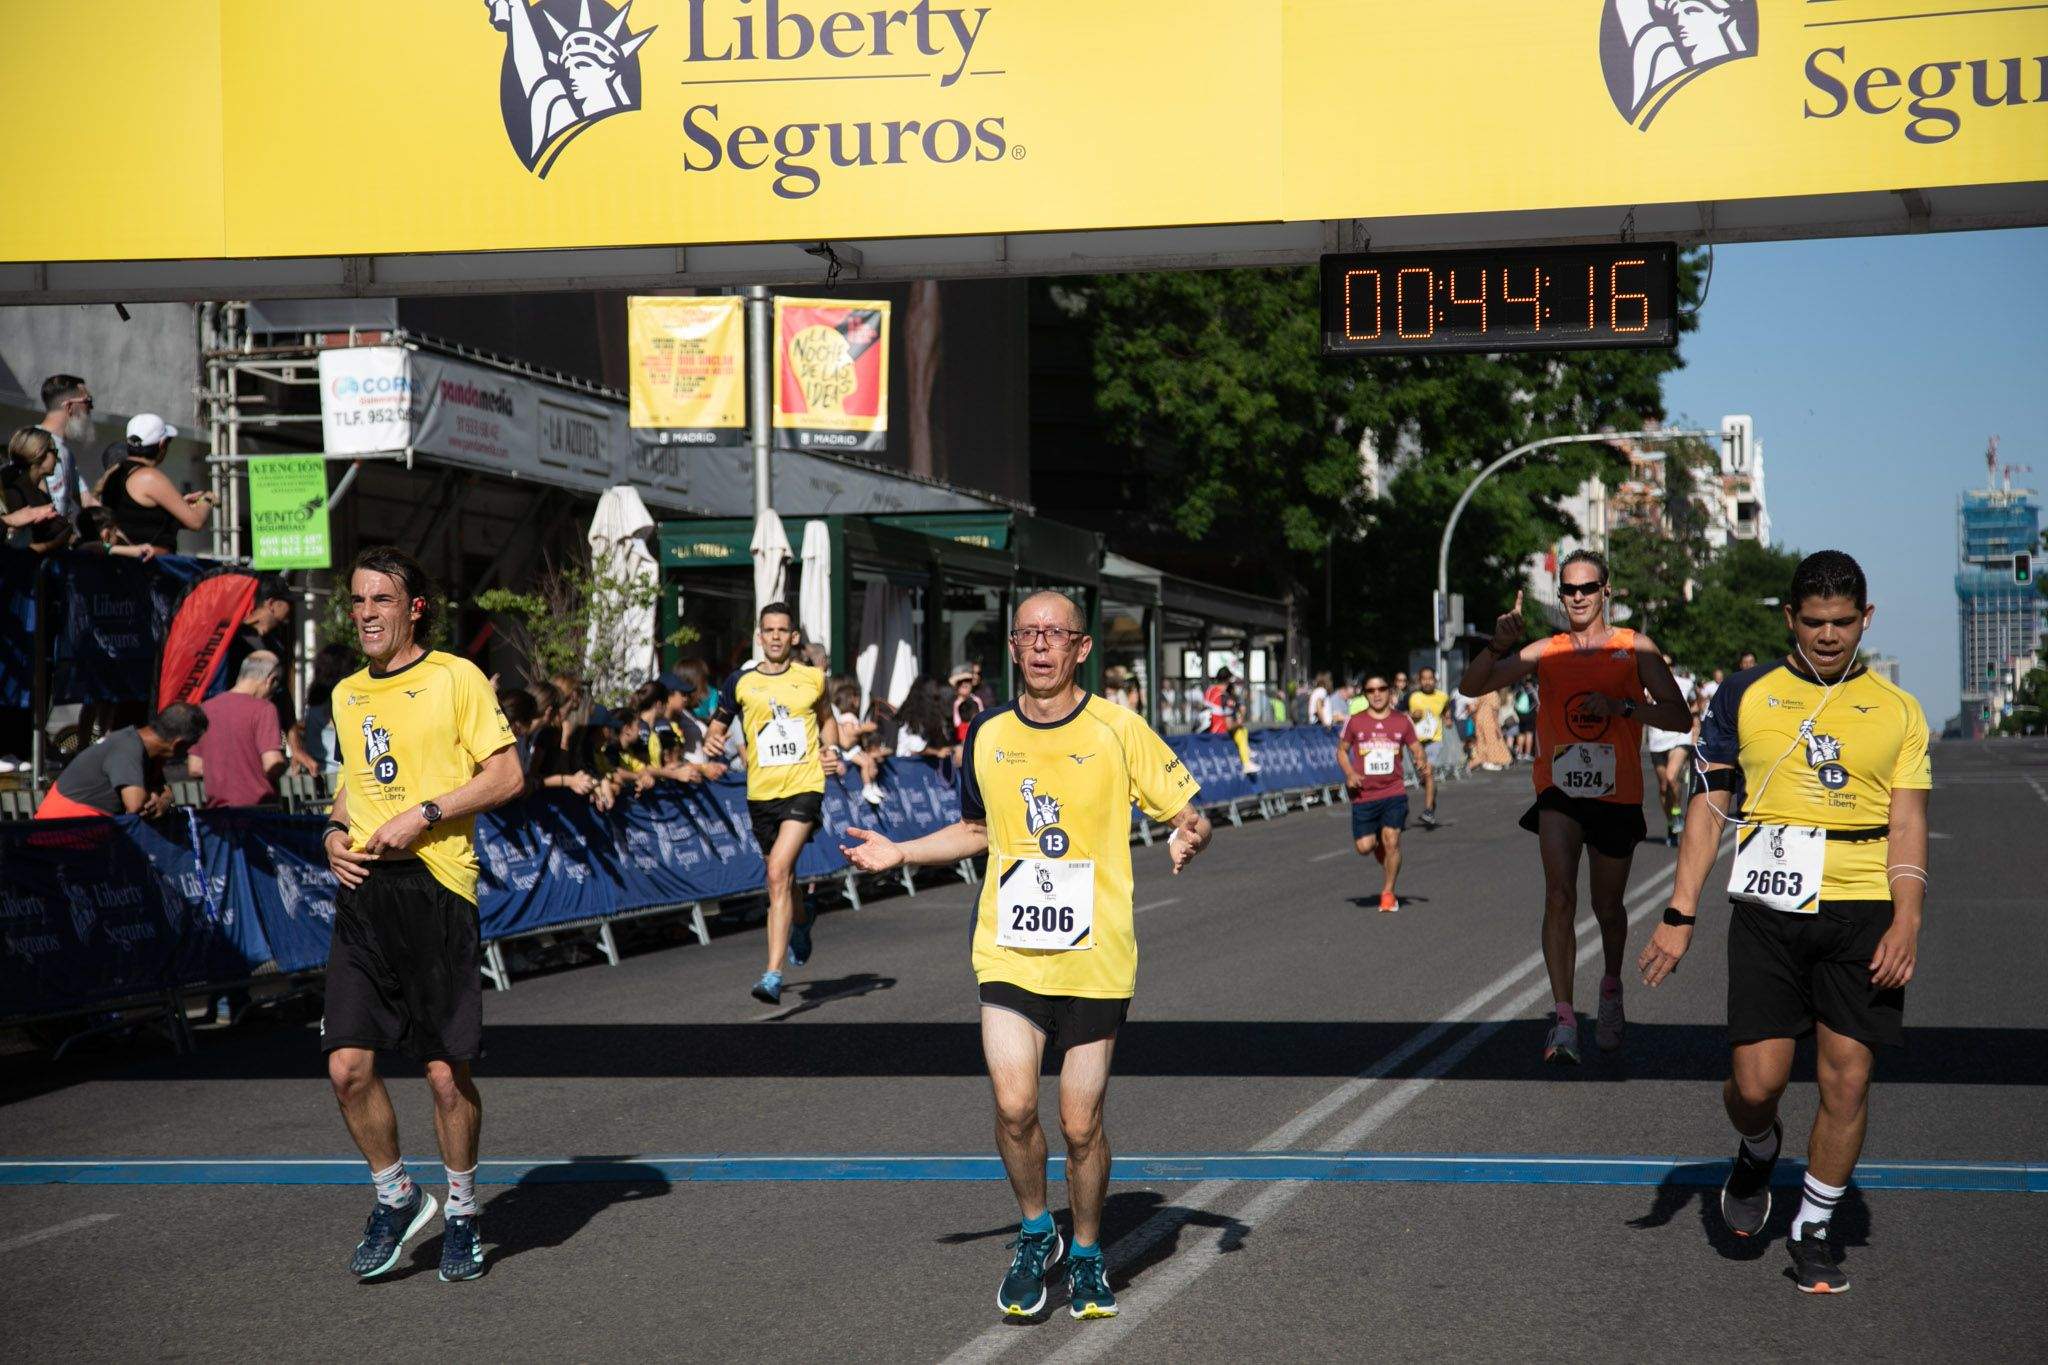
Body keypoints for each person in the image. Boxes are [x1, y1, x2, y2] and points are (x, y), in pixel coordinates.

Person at [839, 590, 1212, 1321]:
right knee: (1014, 1105)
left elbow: (1186, 810)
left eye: (1057, 633)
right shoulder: (987, 734)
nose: (1042, 644)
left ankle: (1090, 1248)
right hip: (1009, 949)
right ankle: (1037, 1230)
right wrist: (902, 852)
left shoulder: (1116, 728)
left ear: (1081, 649)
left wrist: (1191, 831)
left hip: (1097, 955)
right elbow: (979, 829)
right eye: (1029, 633)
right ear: (1013, 648)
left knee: (1079, 1122)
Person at [1639, 551, 1928, 1295]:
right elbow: (1707, 807)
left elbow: (1908, 821)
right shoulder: (1744, 692)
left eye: (1842, 622)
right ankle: (1757, 1143)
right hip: (1769, 908)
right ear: (1789, 619)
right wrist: (1680, 912)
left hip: (1862, 906)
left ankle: (1816, 1222)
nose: (1828, 636)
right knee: (1756, 1082)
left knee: (1848, 1077)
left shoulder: (1899, 709)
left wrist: (1908, 919)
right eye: (1813, 622)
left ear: (1866, 618)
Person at [319, 547, 523, 1284]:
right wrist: (334, 833)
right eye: (358, 600)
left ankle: (465, 1210)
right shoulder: (346, 693)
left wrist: (427, 813)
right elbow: (354, 786)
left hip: (437, 888)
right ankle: (397, 1196)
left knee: (443, 1075)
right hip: (365, 893)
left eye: (381, 599)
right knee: (347, 1066)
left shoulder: (454, 677)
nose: (367, 612)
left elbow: (505, 773)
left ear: (414, 609)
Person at [1457, 553, 1689, 1065]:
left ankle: (1609, 986)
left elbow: (1678, 713)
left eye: (1588, 587)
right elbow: (1472, 687)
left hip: (1616, 794)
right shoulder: (1547, 650)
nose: (1578, 597)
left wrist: (1624, 708)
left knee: (1607, 907)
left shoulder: (1635, 647)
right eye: (1569, 589)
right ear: (1560, 595)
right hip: (1559, 792)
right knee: (1559, 896)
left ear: (1608, 590)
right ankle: (1563, 1017)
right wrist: (1498, 645)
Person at [705, 602, 843, 1005]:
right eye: (770, 630)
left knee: (778, 871)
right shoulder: (740, 682)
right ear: (760, 636)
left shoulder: (813, 678)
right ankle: (802, 920)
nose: (777, 637)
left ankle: (772, 973)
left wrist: (831, 748)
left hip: (804, 785)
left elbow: (827, 719)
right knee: (780, 877)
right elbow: (718, 726)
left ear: (793, 636)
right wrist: (715, 739)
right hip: (761, 793)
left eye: (784, 630)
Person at [1338, 676, 1435, 912]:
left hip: (1393, 792)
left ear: (1389, 692)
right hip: (1364, 795)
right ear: (1365, 694)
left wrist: (1422, 761)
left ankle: (1388, 892)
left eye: (1381, 688)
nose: (1377, 693)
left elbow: (1416, 748)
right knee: (1364, 847)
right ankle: (1380, 848)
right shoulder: (1355, 721)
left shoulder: (1401, 721)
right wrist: (1349, 773)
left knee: (1392, 841)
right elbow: (1341, 751)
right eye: (1371, 690)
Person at [34, 702, 207, 819]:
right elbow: (136, 804)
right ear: (178, 743)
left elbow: (164, 791)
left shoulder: (149, 752)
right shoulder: (128, 747)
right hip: (58, 836)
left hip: (89, 834)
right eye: (190, 746)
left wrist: (165, 800)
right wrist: (158, 798)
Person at [223, 575, 316, 775]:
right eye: (288, 603)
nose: (291, 610)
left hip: (268, 740)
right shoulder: (233, 641)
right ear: (272, 604)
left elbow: (283, 698)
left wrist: (296, 747)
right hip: (236, 740)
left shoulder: (277, 645)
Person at [100, 414, 216, 553]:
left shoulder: (115, 474)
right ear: (162, 444)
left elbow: (138, 517)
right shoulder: (149, 477)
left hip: (127, 564)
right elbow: (196, 522)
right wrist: (207, 499)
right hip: (151, 566)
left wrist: (178, 504)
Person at [189, 651, 288, 807]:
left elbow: (194, 767)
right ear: (271, 679)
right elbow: (272, 764)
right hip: (258, 812)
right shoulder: (264, 709)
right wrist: (285, 764)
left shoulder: (205, 709)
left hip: (218, 812)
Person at [1646, 653, 1698, 846]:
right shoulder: (1647, 685)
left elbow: (1694, 703)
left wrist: (1695, 722)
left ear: (1673, 667)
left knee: (1670, 777)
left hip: (1679, 736)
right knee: (1663, 787)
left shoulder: (1684, 684)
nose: (1664, 668)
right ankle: (1671, 824)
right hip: (1657, 740)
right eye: (1661, 664)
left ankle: (1677, 813)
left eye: (1668, 665)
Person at [35, 373, 94, 520]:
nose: (91, 408)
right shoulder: (33, 441)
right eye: (87, 401)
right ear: (69, 406)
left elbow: (86, 500)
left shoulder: (65, 451)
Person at [3, 427, 71, 551]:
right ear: (39, 452)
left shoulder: (40, 494)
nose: (58, 458)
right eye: (54, 452)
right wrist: (55, 543)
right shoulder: (14, 493)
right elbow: (14, 546)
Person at [1406, 667, 1451, 827]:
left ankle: (1428, 810)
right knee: (1424, 778)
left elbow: (1446, 709)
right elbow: (1401, 714)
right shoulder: (1413, 697)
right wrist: (1412, 716)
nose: (1427, 681)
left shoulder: (1442, 696)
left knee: (1428, 771)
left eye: (1430, 678)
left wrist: (1447, 719)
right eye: (1424, 678)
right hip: (1416, 742)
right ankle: (1431, 798)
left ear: (1435, 680)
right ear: (1419, 681)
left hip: (1434, 740)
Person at [1466, 687, 1511, 771]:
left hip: (1479, 719)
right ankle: (1491, 761)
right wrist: (1497, 727)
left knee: (1481, 742)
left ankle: (1479, 761)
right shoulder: (1494, 694)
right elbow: (1494, 713)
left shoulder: (1482, 692)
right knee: (1492, 741)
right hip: (1489, 720)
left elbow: (1474, 707)